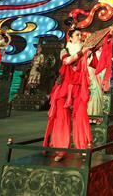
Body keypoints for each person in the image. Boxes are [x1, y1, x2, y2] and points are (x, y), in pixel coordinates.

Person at [44, 30, 91, 162]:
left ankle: (83, 148)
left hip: (78, 86)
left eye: (81, 35)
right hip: (64, 87)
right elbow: (67, 61)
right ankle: (60, 150)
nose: (80, 37)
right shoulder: (64, 50)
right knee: (61, 118)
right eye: (77, 35)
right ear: (70, 38)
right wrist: (82, 52)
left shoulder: (86, 50)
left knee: (81, 116)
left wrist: (109, 35)